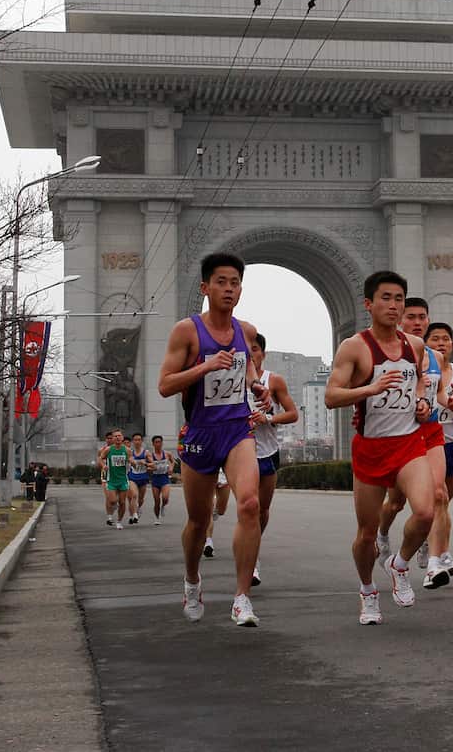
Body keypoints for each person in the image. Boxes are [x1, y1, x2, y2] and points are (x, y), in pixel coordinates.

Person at [158, 252, 270, 627]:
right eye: (220, 282)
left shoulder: (246, 331)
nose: (228, 289)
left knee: (250, 505)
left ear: (241, 290)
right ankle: (192, 579)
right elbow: (164, 385)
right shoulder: (186, 331)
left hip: (237, 428)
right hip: (200, 433)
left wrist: (257, 386)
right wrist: (205, 365)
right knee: (198, 519)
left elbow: (250, 367)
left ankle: (242, 598)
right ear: (205, 287)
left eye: (234, 282)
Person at [326, 271, 435, 625]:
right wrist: (368, 390)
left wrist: (421, 403)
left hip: (408, 443)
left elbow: (417, 381)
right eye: (386, 298)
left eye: (399, 299)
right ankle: (368, 589)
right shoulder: (354, 347)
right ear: (369, 304)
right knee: (366, 534)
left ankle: (399, 564)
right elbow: (331, 396)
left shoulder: (414, 345)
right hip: (371, 449)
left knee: (425, 512)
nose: (394, 305)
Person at [373, 297, 453, 589]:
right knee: (395, 502)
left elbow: (439, 393)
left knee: (439, 493)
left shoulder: (436, 356)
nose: (417, 322)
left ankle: (434, 563)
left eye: (422, 317)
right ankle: (382, 534)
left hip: (431, 431)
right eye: (411, 317)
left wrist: (451, 400)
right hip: (400, 434)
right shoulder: (388, 354)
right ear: (400, 320)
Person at [247, 332, 299, 585]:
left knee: (262, 510)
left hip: (267, 452)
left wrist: (268, 418)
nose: (251, 355)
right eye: (246, 350)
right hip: (240, 453)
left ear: (263, 354)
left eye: (255, 349)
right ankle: (250, 561)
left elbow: (292, 414)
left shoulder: (274, 381)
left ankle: (253, 548)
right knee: (249, 507)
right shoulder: (233, 382)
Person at [424, 322, 453, 586]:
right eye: (435, 339)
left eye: (446, 339)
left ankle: (436, 547)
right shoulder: (423, 371)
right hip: (430, 443)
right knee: (438, 498)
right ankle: (439, 557)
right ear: (425, 343)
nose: (441, 343)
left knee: (443, 504)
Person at [98, 429, 130, 529]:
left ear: (122, 438)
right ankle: (113, 509)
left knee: (122, 502)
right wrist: (103, 465)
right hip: (111, 479)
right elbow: (100, 458)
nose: (117, 438)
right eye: (115, 436)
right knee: (112, 501)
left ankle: (119, 521)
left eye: (119, 436)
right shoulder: (108, 450)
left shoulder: (127, 450)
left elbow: (131, 459)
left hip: (123, 480)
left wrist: (133, 463)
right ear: (113, 438)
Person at [148, 435, 174, 525]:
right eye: (156, 442)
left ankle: (164, 506)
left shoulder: (167, 454)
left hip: (164, 477)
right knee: (156, 500)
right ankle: (157, 518)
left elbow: (172, 461)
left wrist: (171, 468)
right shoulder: (150, 455)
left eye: (160, 442)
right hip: (155, 479)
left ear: (162, 443)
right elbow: (147, 466)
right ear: (153, 444)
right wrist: (150, 469)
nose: (158, 444)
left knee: (165, 498)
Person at [126, 432, 149, 524]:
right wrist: (133, 462)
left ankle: (138, 508)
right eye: (135, 440)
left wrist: (146, 463)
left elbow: (153, 465)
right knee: (133, 496)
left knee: (140, 499)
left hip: (143, 478)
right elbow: (130, 460)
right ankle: (133, 515)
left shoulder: (146, 452)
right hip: (132, 477)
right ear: (132, 441)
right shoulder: (130, 452)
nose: (137, 441)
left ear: (141, 441)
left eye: (139, 440)